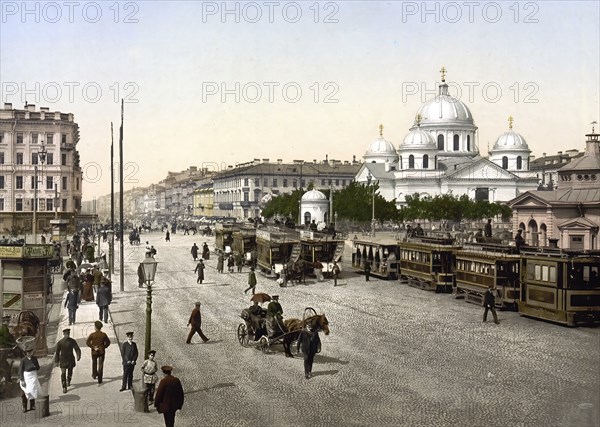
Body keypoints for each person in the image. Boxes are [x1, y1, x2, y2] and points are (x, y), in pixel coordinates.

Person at [54, 328, 81, 393]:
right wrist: (56, 361)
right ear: (63, 334)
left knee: (70, 371)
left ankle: (68, 380)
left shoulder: (72, 341)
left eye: (68, 334)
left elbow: (77, 349)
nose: (67, 335)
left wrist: (78, 355)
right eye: (66, 334)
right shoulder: (60, 342)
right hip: (63, 360)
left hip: (70, 359)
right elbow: (57, 352)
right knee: (63, 373)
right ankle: (64, 387)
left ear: (69, 334)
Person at [0, 315, 16, 383]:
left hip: (2, 346)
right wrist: (12, 344)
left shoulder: (2, 328)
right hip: (3, 348)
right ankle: (8, 379)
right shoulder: (4, 328)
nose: (9, 323)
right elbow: (6, 338)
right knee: (7, 365)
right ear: (5, 322)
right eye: (8, 322)